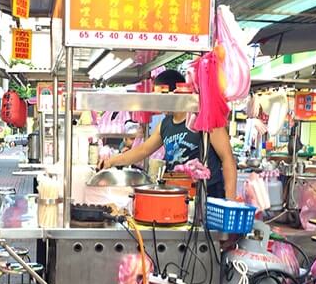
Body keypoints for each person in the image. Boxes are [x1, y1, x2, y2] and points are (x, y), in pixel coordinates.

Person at [98, 69, 237, 199]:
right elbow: (142, 150)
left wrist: (230, 201)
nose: (157, 103)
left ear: (174, 94)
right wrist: (111, 162)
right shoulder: (165, 124)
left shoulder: (204, 118)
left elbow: (227, 159)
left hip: (207, 194)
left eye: (160, 97)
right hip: (178, 195)